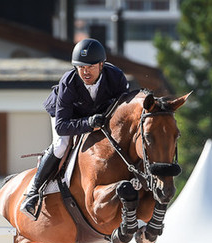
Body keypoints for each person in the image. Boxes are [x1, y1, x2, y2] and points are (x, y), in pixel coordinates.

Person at [20, 38, 130, 219]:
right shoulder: (69, 82)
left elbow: (123, 111)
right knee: (61, 145)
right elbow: (62, 126)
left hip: (98, 115)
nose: (85, 72)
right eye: (81, 67)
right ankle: (33, 192)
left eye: (90, 67)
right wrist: (88, 123)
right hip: (65, 116)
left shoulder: (116, 77)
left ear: (102, 65)